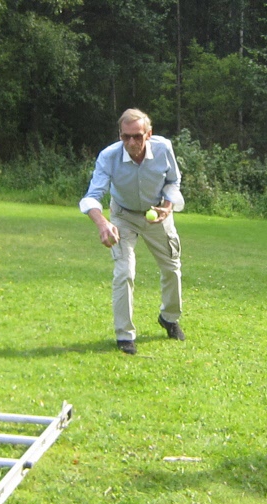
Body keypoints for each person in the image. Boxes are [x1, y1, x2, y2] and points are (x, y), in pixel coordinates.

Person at [79, 108, 186, 355]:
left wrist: (167, 208)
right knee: (124, 272)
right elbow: (92, 196)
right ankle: (124, 335)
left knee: (172, 268)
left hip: (156, 213)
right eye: (125, 136)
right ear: (120, 135)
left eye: (137, 136)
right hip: (123, 216)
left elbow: (173, 182)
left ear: (149, 134)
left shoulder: (164, 148)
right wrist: (103, 223)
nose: (131, 142)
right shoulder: (108, 156)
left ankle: (169, 318)